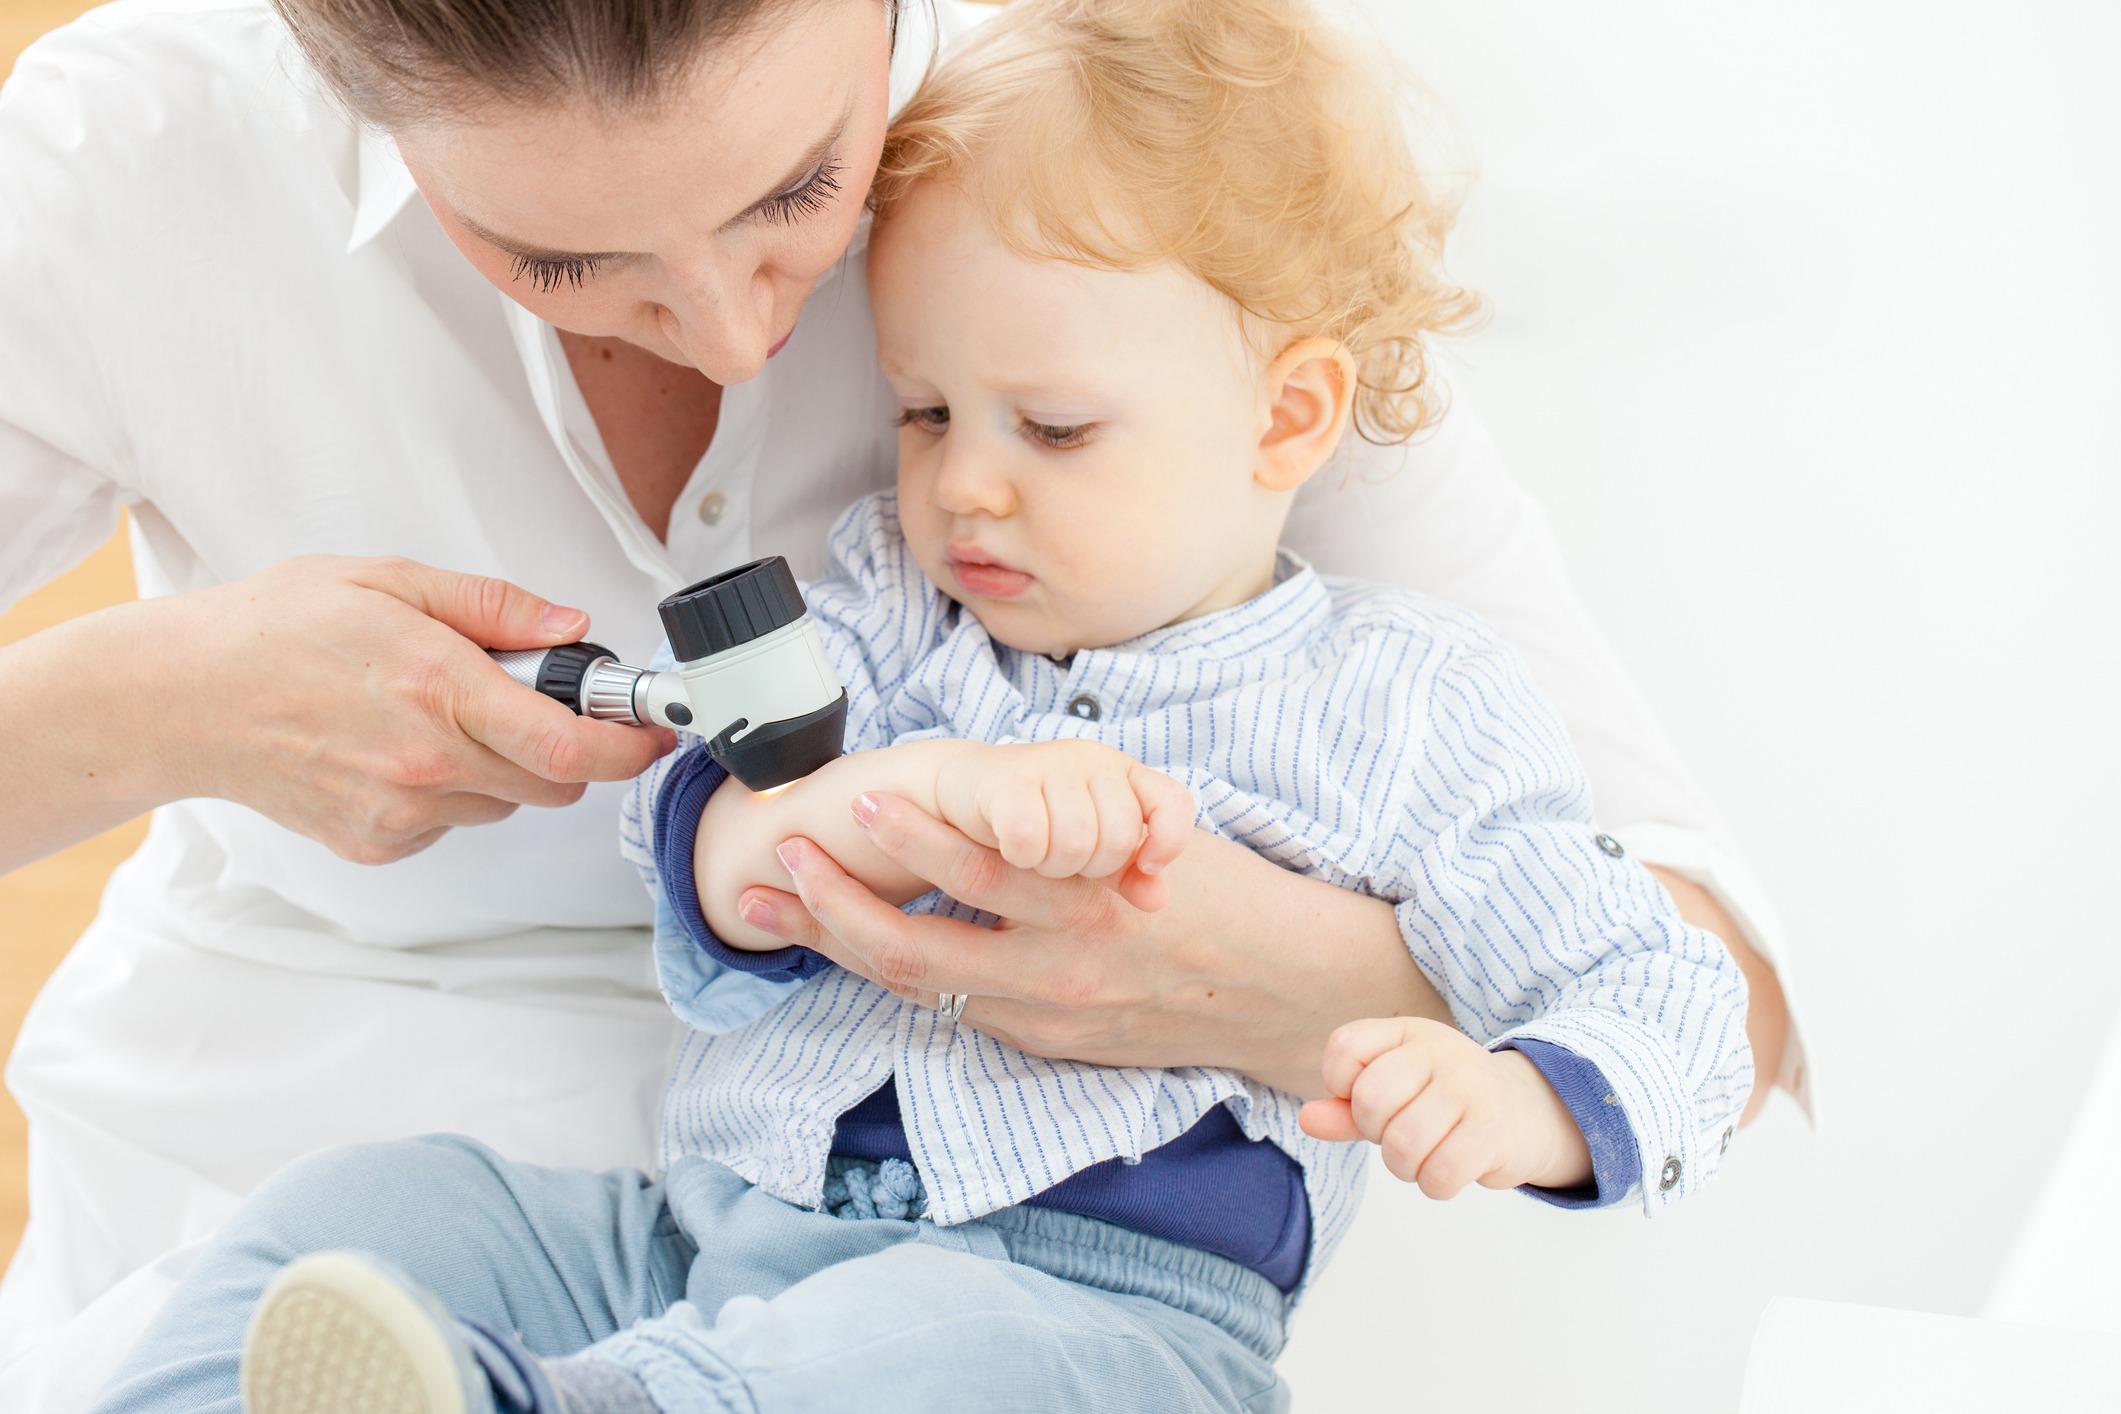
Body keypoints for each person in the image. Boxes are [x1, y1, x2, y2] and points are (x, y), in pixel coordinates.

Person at [0, 0, 1798, 1377]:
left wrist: (1318, 1000)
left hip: (1035, 1292)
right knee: (339, 1242)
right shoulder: (133, 154)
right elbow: (727, 814)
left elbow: (1701, 977)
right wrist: (153, 700)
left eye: (799, 194)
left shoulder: (1130, 184)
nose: (730, 333)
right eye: (563, 260)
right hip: (620, 1197)